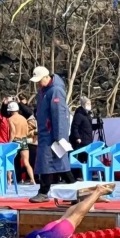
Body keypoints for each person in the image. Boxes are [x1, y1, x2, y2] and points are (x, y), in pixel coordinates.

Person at [1, 184, 113, 238]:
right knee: (67, 217)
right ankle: (92, 198)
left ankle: (98, 192)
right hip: (35, 237)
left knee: (76, 217)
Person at [28, 66, 74, 203]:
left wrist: (59, 136)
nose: (37, 83)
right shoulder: (45, 91)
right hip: (46, 134)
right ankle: (75, 190)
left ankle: (44, 191)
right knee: (54, 164)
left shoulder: (55, 91)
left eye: (38, 80)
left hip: (52, 135)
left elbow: (59, 114)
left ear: (46, 77)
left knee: (52, 163)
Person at [7, 102, 34, 186]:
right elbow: (26, 131)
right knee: (26, 162)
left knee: (9, 161)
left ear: (10, 111)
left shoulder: (10, 119)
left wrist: (9, 142)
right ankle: (32, 180)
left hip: (15, 141)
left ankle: (9, 180)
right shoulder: (23, 118)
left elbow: (13, 132)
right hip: (24, 140)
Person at [69, 96, 94, 180]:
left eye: (90, 103)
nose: (89, 105)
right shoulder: (79, 114)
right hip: (81, 142)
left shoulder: (87, 115)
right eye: (87, 103)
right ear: (83, 104)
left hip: (87, 141)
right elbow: (75, 127)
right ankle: (76, 176)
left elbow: (88, 127)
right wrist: (77, 137)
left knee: (85, 159)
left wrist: (97, 126)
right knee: (79, 159)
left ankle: (84, 175)